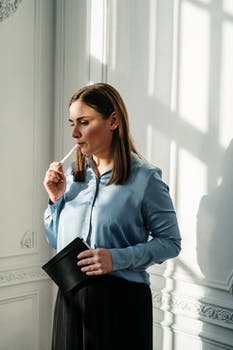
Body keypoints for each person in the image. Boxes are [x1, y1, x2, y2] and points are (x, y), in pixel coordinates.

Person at [43, 82, 181, 350]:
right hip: (70, 298)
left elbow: (171, 242)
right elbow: (54, 239)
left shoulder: (145, 178)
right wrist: (55, 199)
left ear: (113, 121)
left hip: (120, 303)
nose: (74, 133)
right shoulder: (72, 176)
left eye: (83, 122)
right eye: (71, 122)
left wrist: (115, 259)